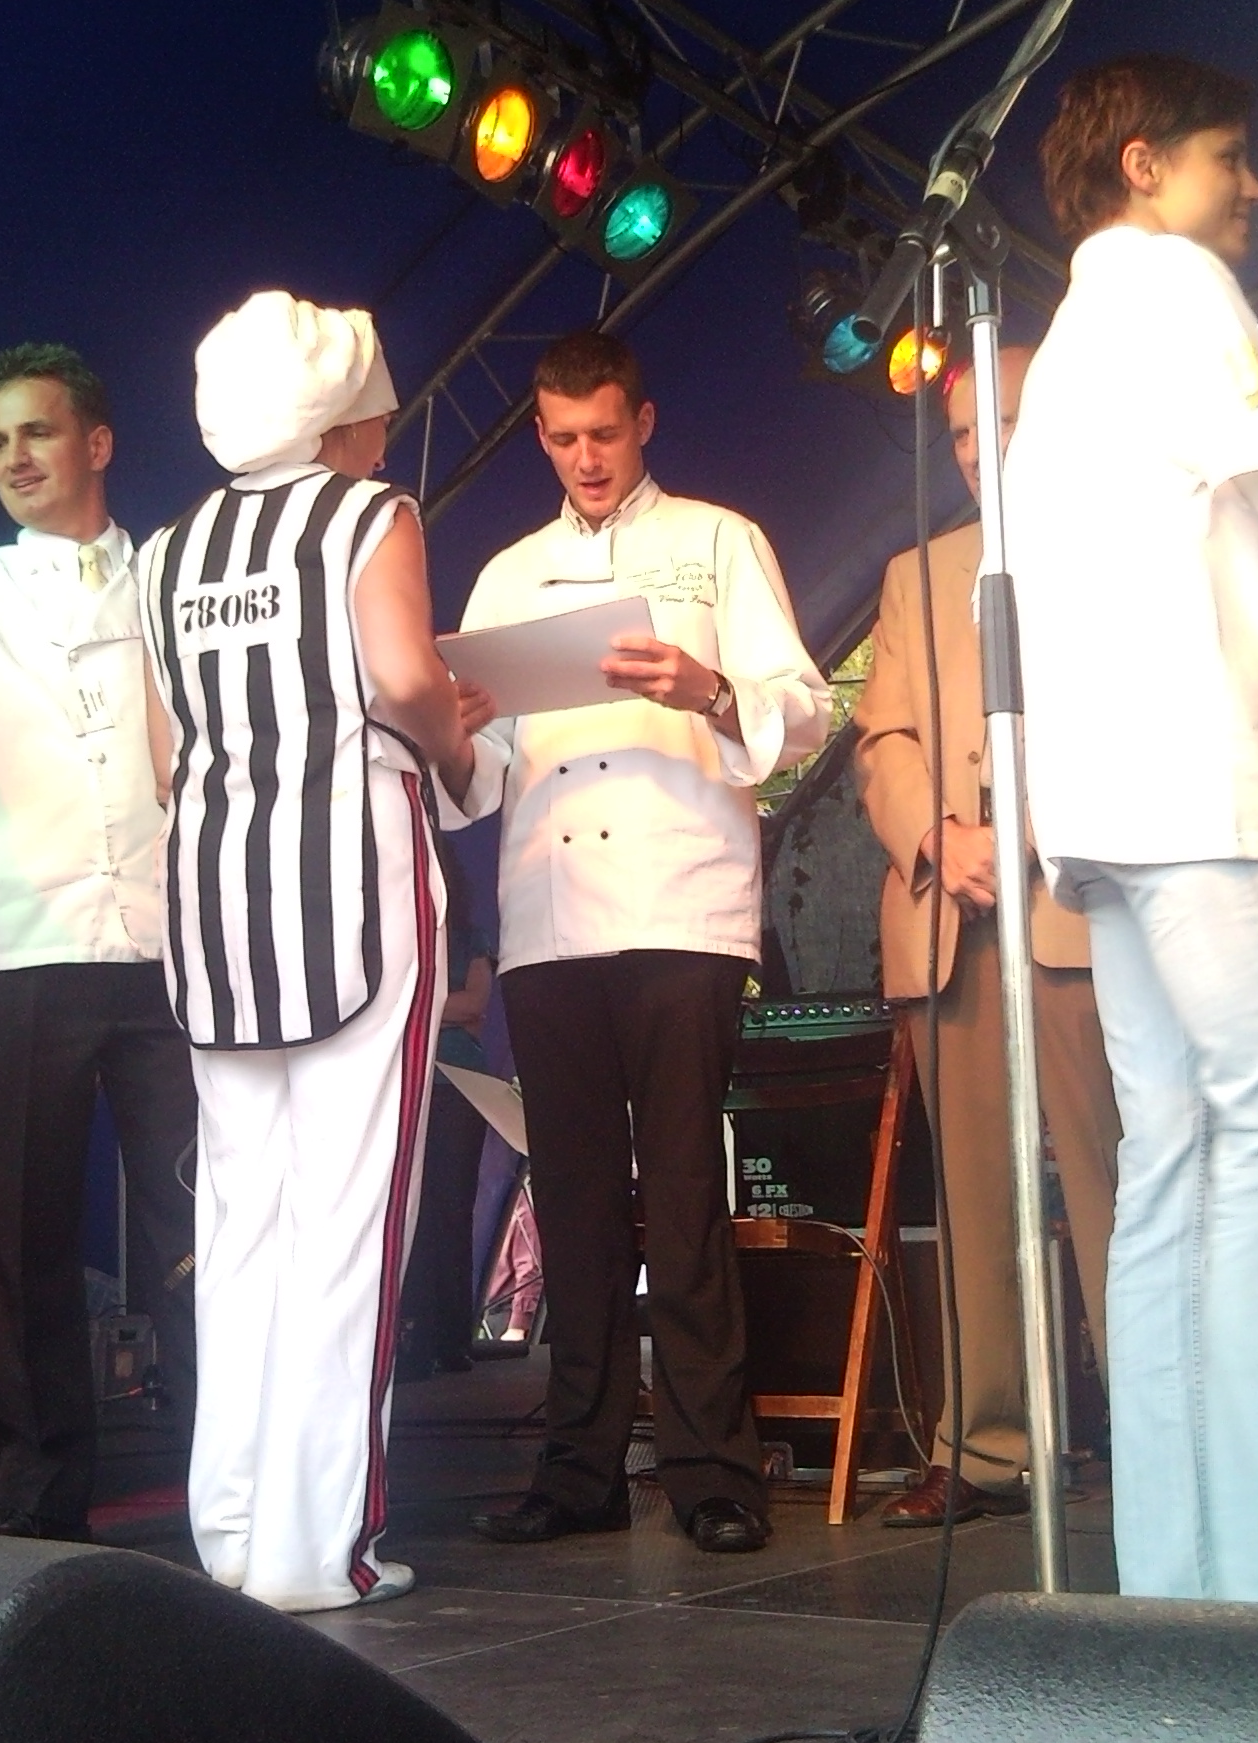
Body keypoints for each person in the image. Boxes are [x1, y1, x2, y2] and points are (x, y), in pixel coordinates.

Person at [1004, 56, 1258, 1606]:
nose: (1252, 187)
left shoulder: (1070, 345)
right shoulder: (1174, 285)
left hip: (1106, 812)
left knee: (1177, 1161)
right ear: (1141, 164)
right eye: (1227, 157)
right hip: (1195, 793)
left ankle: (1182, 1586)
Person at [140, 290, 486, 1611]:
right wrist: (455, 744)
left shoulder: (166, 551)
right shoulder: (368, 515)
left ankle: (228, 1532)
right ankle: (318, 1551)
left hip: (217, 907)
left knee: (240, 1224)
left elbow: (167, 760)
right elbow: (401, 680)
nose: (385, 430)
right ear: (340, 418)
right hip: (351, 891)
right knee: (349, 1222)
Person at [462, 330, 830, 1557]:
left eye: (605, 434)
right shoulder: (508, 576)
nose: (587, 458)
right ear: (540, 435)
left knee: (681, 1197)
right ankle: (579, 1470)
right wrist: (454, 726)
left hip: (681, 902)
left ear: (644, 422)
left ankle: (712, 1469)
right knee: (570, 1201)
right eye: (564, 438)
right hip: (549, 912)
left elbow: (806, 709)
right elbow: (476, 774)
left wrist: (706, 689)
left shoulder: (718, 542)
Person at [0, 343, 199, 1541]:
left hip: (170, 943)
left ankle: (228, 1480)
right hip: (19, 945)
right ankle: (39, 1500)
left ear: (97, 442)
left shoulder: (173, 577)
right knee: (22, 1240)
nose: (15, 458)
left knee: (198, 1223)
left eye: (36, 431)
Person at [853, 347, 1123, 1527]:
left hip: (1076, 904)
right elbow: (881, 740)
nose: (978, 451)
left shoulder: (1120, 542)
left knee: (1117, 1182)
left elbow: (1135, 714)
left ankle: (1157, 1425)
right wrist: (936, 837)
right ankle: (987, 1446)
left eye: (999, 422)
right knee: (972, 1197)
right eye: (962, 433)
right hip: (948, 918)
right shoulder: (917, 572)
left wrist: (1020, 831)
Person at [398, 840, 496, 1382]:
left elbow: (474, 1004)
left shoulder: (468, 938)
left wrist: (413, 1006)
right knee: (409, 1211)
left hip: (459, 1086)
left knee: (452, 1210)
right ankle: (413, 1336)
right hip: (406, 1084)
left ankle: (452, 1337)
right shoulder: (394, 931)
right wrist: (443, 1009)